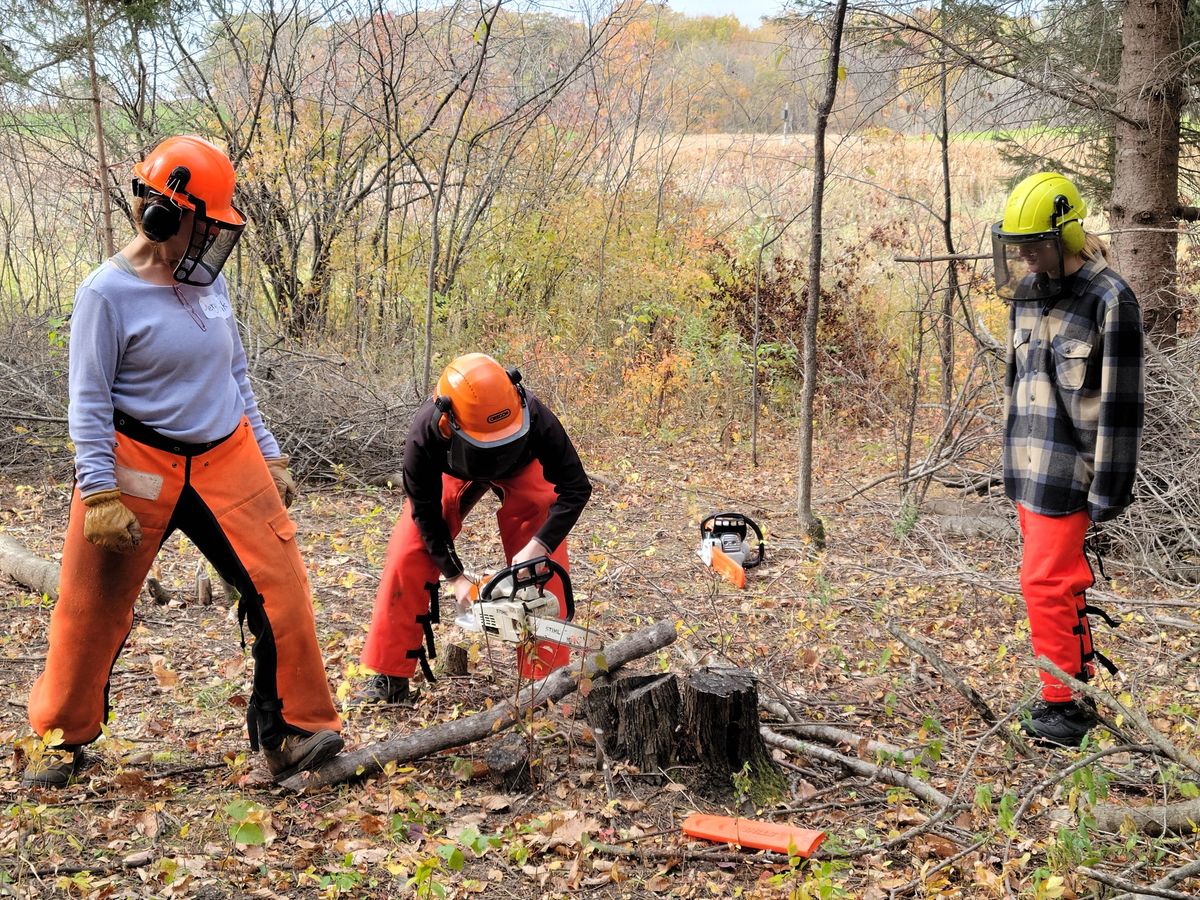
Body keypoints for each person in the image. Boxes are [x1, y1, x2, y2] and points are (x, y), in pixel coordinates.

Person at [23, 135, 343, 787]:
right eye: (204, 225)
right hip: (136, 460)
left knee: (279, 587)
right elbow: (87, 402)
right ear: (166, 215)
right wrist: (101, 492)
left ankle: (291, 731)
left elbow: (236, 373)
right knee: (91, 606)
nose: (210, 241)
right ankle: (58, 739)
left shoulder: (206, 285)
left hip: (226, 454)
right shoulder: (106, 294)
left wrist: (270, 453)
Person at [991, 171, 1144, 747]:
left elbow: (1122, 407)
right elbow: (1016, 382)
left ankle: (1063, 705)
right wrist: (1007, 462)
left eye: (1035, 246)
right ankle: (1074, 687)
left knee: (1044, 584)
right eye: (1017, 248)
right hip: (1029, 464)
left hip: (1072, 470)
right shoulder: (1028, 293)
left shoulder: (1111, 300)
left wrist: (1109, 490)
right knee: (1058, 583)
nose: (1025, 258)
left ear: (1069, 233)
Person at [358, 353, 592, 703]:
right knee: (408, 549)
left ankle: (546, 681)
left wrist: (538, 546)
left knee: (543, 550)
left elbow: (576, 486)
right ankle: (390, 675)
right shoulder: (424, 434)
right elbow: (425, 512)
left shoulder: (536, 415)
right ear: (448, 422)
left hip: (523, 468)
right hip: (454, 469)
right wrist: (455, 577)